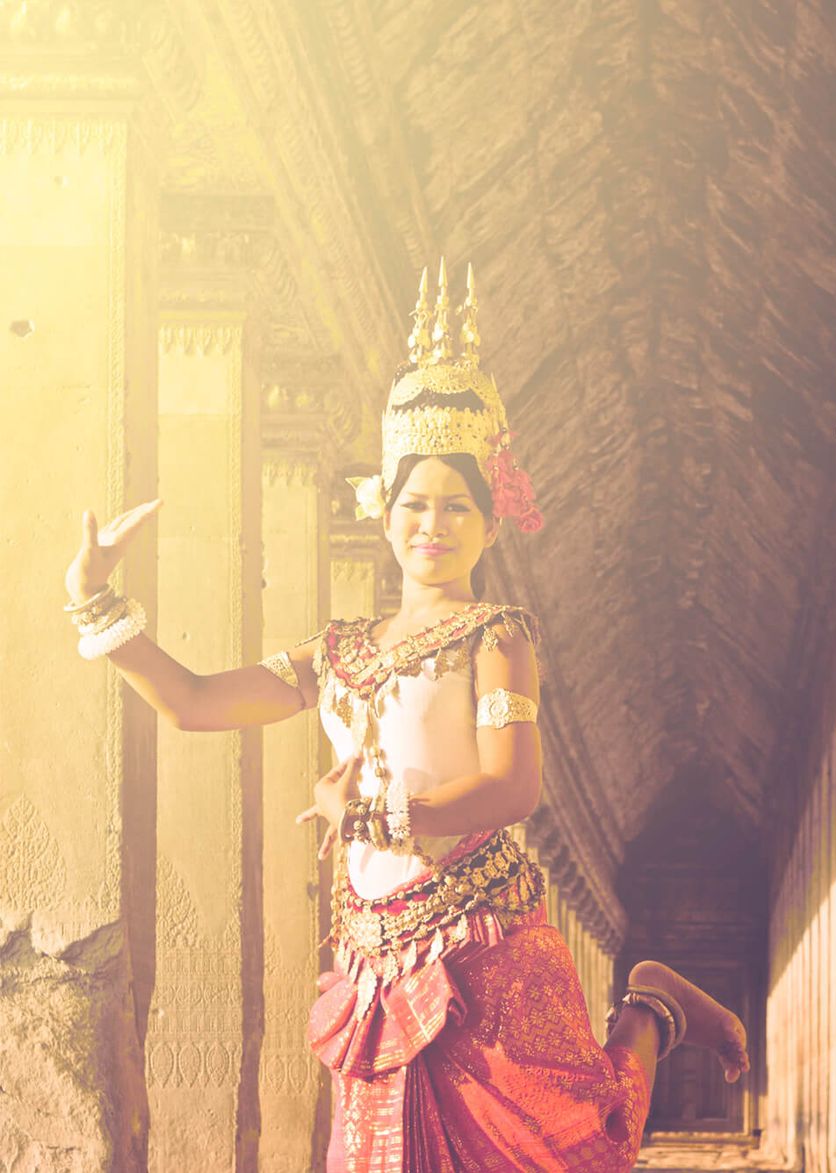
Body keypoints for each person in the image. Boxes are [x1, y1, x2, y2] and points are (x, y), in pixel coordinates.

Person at [64, 261, 748, 1171]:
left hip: (482, 944)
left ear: (491, 525)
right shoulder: (335, 650)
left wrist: (375, 816)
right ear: (382, 514)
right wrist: (99, 606)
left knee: (583, 1146)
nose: (434, 524)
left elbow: (513, 786)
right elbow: (193, 703)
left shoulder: (497, 635)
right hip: (376, 958)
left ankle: (650, 1007)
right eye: (415, 505)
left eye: (457, 507)